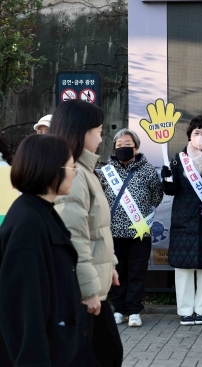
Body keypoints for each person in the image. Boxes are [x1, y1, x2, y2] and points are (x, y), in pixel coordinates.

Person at [0, 134, 94, 366]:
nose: (75, 172)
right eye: (71, 166)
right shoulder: (28, 224)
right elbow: (25, 307)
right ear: (51, 169)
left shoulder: (40, 211)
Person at [50, 99, 123, 367]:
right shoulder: (76, 174)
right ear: (81, 132)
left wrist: (111, 265)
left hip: (94, 284)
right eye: (99, 131)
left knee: (106, 352)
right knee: (101, 355)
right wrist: (88, 290)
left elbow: (97, 231)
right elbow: (75, 237)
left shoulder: (85, 170)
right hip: (85, 291)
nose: (102, 139)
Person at [161, 114, 202, 326]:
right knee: (183, 268)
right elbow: (171, 190)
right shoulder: (178, 159)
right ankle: (186, 311)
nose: (200, 136)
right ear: (190, 134)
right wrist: (167, 178)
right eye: (196, 132)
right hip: (184, 219)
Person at [99, 128, 164, 328]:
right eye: (119, 145)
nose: (123, 148)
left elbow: (157, 196)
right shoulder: (105, 172)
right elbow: (100, 200)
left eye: (128, 145)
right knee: (117, 271)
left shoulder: (147, 170)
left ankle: (134, 310)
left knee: (137, 271)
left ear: (136, 147)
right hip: (113, 232)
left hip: (139, 232)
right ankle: (119, 309)